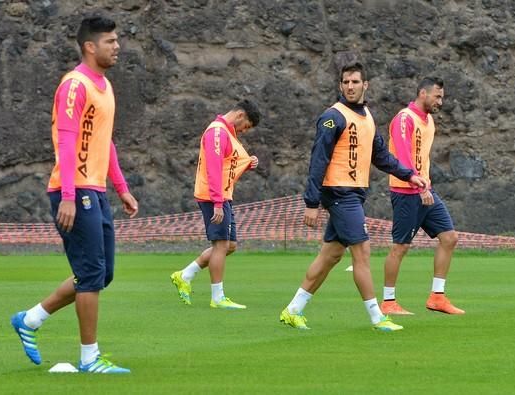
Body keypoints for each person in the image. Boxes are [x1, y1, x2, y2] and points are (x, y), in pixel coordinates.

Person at [10, 16, 139, 374]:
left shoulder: (105, 86)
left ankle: (30, 320)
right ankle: (89, 359)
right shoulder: (74, 85)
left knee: (101, 273)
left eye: (117, 40)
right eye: (110, 41)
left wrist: (122, 188)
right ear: (90, 46)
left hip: (94, 190)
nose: (117, 47)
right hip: (74, 191)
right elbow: (66, 141)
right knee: (91, 272)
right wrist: (68, 194)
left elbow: (105, 141)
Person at [279, 62, 427, 331]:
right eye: (346, 82)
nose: (350, 86)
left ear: (365, 85)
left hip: (354, 194)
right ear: (340, 85)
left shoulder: (367, 116)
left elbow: (380, 156)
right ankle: (377, 317)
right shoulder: (332, 117)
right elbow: (318, 160)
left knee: (330, 256)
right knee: (362, 253)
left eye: (355, 82)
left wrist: (409, 175)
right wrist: (311, 203)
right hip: (339, 193)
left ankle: (293, 310)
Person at [380, 77, 464, 316]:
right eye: (437, 96)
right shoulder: (405, 118)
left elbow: (422, 158)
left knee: (449, 238)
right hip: (407, 192)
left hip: (425, 190)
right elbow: (404, 158)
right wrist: (419, 188)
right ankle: (388, 301)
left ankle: (437, 297)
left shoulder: (429, 122)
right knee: (400, 247)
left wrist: (426, 185)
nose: (440, 101)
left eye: (442, 97)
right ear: (422, 93)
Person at [170, 100, 261, 310]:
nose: (244, 131)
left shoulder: (227, 133)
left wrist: (247, 164)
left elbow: (228, 163)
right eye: (245, 126)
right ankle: (217, 297)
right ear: (240, 115)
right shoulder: (217, 132)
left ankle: (185, 275)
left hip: (222, 196)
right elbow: (213, 168)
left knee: (229, 246)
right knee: (220, 245)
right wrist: (218, 202)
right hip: (214, 197)